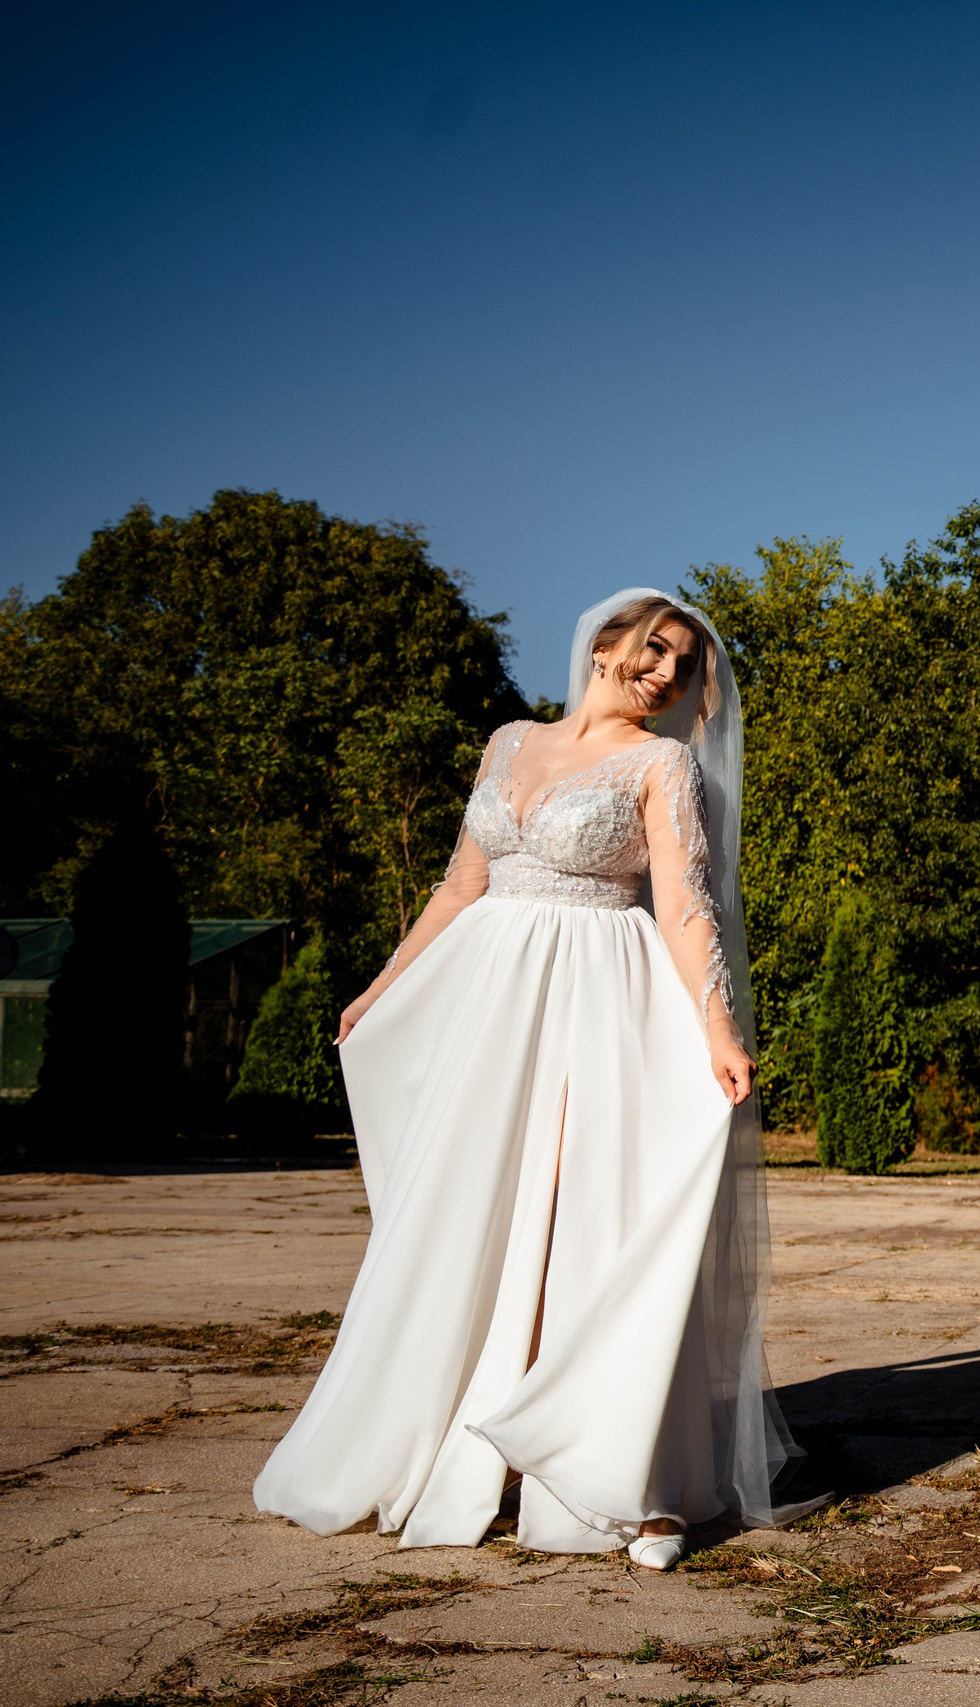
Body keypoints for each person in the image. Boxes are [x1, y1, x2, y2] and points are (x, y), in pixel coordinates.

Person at [253, 588, 808, 1570]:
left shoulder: (662, 762)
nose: (667, 672)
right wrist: (384, 984)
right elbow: (463, 882)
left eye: (684, 665)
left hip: (601, 1000)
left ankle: (635, 1482)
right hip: (490, 1003)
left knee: (584, 1223)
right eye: (655, 649)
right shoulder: (510, 742)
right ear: (603, 642)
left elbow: (685, 907)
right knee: (470, 1215)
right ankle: (472, 1440)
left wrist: (718, 1030)